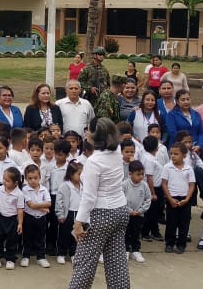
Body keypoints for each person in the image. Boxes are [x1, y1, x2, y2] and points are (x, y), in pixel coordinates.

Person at [68, 118, 129, 289]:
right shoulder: (117, 151)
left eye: (88, 130)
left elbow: (89, 196)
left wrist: (79, 222)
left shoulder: (94, 162)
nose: (86, 132)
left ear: (95, 135)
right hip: (120, 211)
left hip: (100, 214)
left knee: (84, 263)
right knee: (117, 263)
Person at [160, 141, 196, 255]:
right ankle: (169, 243)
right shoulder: (167, 167)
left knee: (184, 223)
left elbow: (192, 185)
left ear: (184, 156)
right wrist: (170, 199)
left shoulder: (189, 169)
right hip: (172, 198)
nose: (173, 156)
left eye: (176, 154)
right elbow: (164, 184)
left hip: (185, 199)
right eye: (171, 154)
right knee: (171, 222)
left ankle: (181, 244)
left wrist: (187, 199)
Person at [0, 166, 25, 270]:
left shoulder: (19, 194)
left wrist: (20, 223)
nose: (4, 182)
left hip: (12, 219)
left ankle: (10, 259)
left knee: (12, 240)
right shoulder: (0, 189)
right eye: (4, 179)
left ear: (15, 182)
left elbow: (20, 210)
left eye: (7, 180)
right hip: (0, 217)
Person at [21, 164, 52, 268]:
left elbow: (49, 203)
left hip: (41, 218)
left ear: (40, 177)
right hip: (29, 217)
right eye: (30, 178)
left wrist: (37, 206)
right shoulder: (25, 189)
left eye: (35, 178)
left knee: (41, 238)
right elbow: (30, 205)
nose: (33, 180)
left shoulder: (44, 189)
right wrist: (43, 208)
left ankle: (41, 257)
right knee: (27, 237)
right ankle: (26, 256)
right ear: (26, 179)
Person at [123, 161, 151, 263]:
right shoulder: (124, 185)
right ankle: (125, 250)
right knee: (126, 232)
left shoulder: (144, 185)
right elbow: (121, 199)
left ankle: (136, 250)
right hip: (127, 214)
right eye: (138, 174)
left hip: (139, 215)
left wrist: (140, 210)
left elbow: (148, 199)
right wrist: (129, 211)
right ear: (130, 174)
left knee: (136, 232)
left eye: (142, 174)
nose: (141, 177)